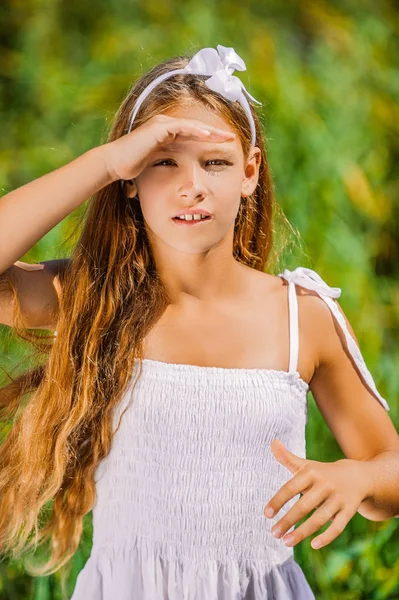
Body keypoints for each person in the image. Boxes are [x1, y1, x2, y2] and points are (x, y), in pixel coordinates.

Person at [0, 44, 397, 600]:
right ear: (131, 179)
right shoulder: (95, 299)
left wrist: (360, 479)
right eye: (163, 162)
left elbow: (391, 472)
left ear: (250, 173)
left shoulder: (300, 317)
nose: (193, 185)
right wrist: (105, 162)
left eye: (215, 162)